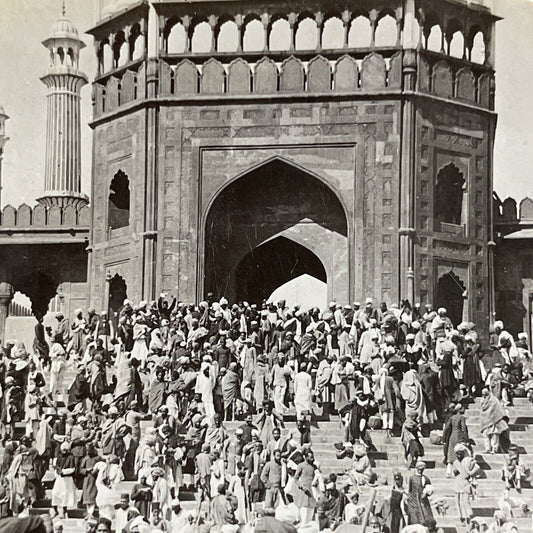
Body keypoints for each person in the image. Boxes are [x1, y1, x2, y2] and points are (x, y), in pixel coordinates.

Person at [452, 443, 480, 527]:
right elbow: (454, 471)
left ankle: (469, 518)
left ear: (463, 452)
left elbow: (477, 467)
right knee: (458, 502)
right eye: (456, 454)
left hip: (465, 484)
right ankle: (462, 518)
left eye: (459, 453)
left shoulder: (468, 460)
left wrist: (470, 473)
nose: (458, 455)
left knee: (465, 501)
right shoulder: (456, 462)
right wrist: (454, 471)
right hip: (458, 483)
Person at [442, 404, 470, 477]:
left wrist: (444, 438)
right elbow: (463, 429)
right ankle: (457, 472)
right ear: (459, 409)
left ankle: (448, 471)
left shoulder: (452, 417)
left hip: (452, 436)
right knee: (459, 454)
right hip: (459, 437)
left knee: (451, 453)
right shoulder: (462, 418)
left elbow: (447, 428)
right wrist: (466, 439)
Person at [480, 387, 509, 454]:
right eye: (483, 394)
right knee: (486, 435)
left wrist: (497, 418)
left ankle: (494, 449)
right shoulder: (482, 401)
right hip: (485, 421)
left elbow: (498, 410)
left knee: (494, 435)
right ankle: (487, 449)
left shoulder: (494, 400)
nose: (484, 396)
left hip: (494, 420)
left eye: (486, 394)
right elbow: (482, 410)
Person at [293, 449, 317, 525]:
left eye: (312, 457)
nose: (312, 459)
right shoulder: (301, 466)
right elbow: (296, 478)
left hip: (312, 491)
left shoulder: (314, 467)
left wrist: (316, 482)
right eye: (310, 457)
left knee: (311, 511)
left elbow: (317, 476)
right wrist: (301, 486)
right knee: (304, 511)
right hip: (304, 491)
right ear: (305, 457)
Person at [406, 461, 434, 525]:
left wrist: (426, 493)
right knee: (414, 517)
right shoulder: (412, 478)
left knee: (424, 515)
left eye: (422, 469)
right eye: (419, 469)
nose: (420, 471)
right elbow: (410, 490)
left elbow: (430, 489)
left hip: (422, 500)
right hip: (413, 500)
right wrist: (409, 499)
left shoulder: (426, 478)